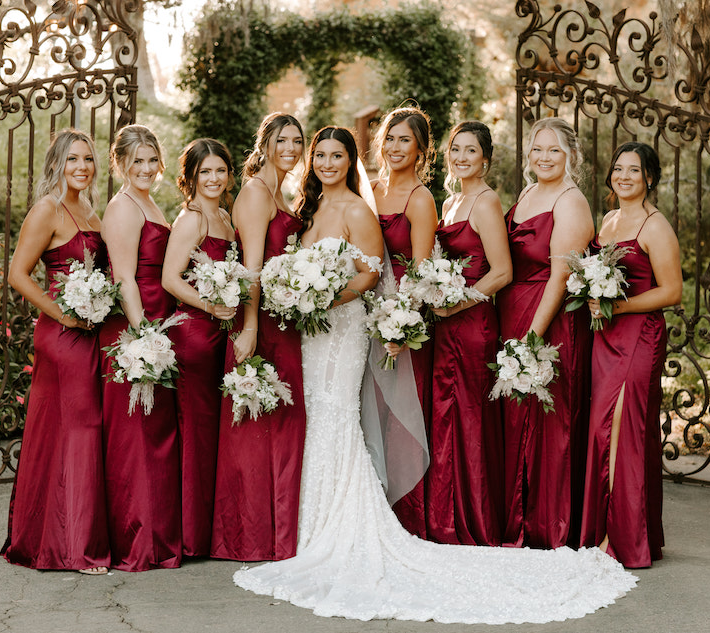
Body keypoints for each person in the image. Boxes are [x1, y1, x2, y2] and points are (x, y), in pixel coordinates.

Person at [232, 126, 637, 625]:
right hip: (317, 330)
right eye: (321, 155)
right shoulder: (314, 208)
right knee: (323, 415)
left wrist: (330, 299)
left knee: (341, 415)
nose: (325, 162)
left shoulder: (383, 206)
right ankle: (310, 524)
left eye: (337, 155)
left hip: (359, 323)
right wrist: (297, 294)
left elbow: (386, 269)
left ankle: (347, 527)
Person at [1, 129, 110, 575]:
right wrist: (62, 316)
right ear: (57, 164)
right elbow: (18, 274)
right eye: (72, 160)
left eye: (87, 159)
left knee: (77, 429)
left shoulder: (89, 209)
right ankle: (76, 548)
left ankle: (53, 533)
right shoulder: (48, 208)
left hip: (91, 331)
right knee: (80, 428)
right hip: (62, 335)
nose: (81, 167)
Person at [210, 113, 308, 561]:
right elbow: (250, 268)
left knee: (281, 425)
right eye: (281, 139)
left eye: (297, 140)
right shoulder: (253, 193)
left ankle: (278, 532)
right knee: (255, 425)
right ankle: (248, 535)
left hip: (283, 320)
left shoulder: (281, 192)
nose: (290, 147)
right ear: (264, 142)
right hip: (261, 325)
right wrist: (248, 329)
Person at [579, 142, 682, 568]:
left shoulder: (655, 227)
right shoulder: (608, 220)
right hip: (604, 337)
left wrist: (617, 306)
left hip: (640, 335)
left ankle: (623, 539)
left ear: (649, 179)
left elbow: (672, 292)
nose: (623, 177)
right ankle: (610, 529)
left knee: (624, 427)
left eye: (633, 171)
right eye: (618, 169)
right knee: (602, 429)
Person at [499, 118, 595, 549]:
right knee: (517, 419)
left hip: (547, 321)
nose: (543, 157)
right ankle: (515, 515)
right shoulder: (528, 193)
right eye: (537, 149)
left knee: (547, 420)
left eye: (553, 150)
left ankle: (546, 525)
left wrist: (531, 341)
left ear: (571, 155)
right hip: (513, 311)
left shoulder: (571, 202)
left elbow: (559, 277)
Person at [99, 124, 181, 571]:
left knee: (158, 434)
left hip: (160, 324)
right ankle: (139, 542)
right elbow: (124, 277)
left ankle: (162, 535)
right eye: (137, 162)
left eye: (152, 160)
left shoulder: (149, 201)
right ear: (121, 164)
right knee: (138, 436)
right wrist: (143, 336)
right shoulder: (123, 208)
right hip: (139, 327)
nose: (146, 168)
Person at [427, 121, 512, 546]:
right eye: (455, 149)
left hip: (474, 324)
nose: (461, 157)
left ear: (486, 159)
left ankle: (476, 523)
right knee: (446, 417)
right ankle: (446, 520)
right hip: (446, 327)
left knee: (471, 420)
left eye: (471, 151)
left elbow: (502, 271)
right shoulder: (451, 201)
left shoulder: (485, 201)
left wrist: (456, 303)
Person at [161, 139, 237, 558]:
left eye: (220, 171)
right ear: (190, 177)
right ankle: (191, 536)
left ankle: (211, 528)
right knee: (196, 433)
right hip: (195, 335)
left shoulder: (224, 215)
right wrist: (211, 305)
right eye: (205, 172)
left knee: (214, 434)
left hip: (221, 332)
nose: (213, 179)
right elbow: (171, 279)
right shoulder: (190, 220)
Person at [365, 106, 437, 537]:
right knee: (366, 409)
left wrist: (400, 327)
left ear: (421, 150)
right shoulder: (369, 190)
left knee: (397, 413)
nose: (394, 147)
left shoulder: (421, 199)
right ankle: (368, 503)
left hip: (397, 322)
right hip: (360, 313)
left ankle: (403, 516)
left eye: (404, 140)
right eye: (389, 138)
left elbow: (422, 269)